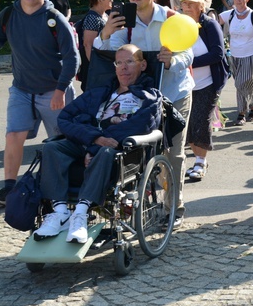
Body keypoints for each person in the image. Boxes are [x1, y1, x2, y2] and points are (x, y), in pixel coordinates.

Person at [95, 0, 194, 228]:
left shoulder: (173, 17)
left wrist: (174, 60)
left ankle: (175, 206)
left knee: (173, 152)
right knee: (143, 152)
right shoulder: (122, 22)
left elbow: (189, 52)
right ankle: (145, 203)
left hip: (176, 93)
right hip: (141, 99)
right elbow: (107, 55)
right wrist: (104, 35)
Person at [33, 44, 162, 243]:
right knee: (51, 147)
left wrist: (96, 146)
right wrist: (93, 139)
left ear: (143, 65)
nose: (123, 67)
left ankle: (81, 213)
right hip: (88, 142)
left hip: (119, 152)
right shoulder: (99, 93)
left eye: (129, 61)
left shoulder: (149, 96)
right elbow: (65, 118)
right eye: (119, 62)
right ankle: (60, 212)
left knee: (106, 152)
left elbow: (140, 125)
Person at [0, 0, 79, 207]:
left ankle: (65, 189)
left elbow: (72, 58)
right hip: (22, 89)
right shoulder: (9, 14)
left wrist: (61, 90)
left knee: (61, 141)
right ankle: (9, 188)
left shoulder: (54, 18)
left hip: (53, 90)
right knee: (13, 135)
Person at [179, 0, 227, 181]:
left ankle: (200, 161)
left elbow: (218, 54)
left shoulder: (210, 25)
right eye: (184, 4)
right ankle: (199, 158)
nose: (187, 7)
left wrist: (190, 62)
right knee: (188, 124)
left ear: (201, 6)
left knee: (201, 120)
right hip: (186, 84)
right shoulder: (179, 24)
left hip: (208, 82)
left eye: (191, 3)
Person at [77, 0, 114, 91]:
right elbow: (88, 44)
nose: (112, 0)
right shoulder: (92, 18)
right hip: (94, 70)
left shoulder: (104, 15)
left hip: (104, 62)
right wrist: (95, 67)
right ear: (100, 0)